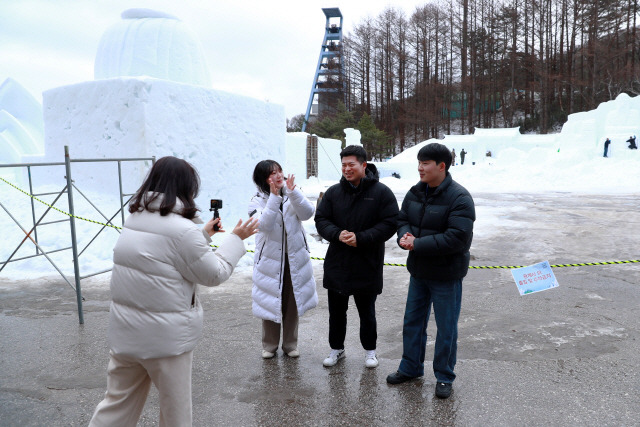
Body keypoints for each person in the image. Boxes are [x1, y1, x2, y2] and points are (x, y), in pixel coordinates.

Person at [89, 156, 259, 427]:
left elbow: (164, 254)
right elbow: (213, 273)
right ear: (186, 188)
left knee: (116, 406)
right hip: (165, 342)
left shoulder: (135, 218)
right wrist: (235, 239)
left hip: (126, 335)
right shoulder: (182, 231)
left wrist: (202, 234)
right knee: (175, 413)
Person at [386, 142, 475, 400]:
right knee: (412, 322)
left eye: (425, 164)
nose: (420, 168)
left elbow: (458, 238)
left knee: (446, 328)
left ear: (441, 166)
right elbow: (402, 220)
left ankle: (444, 376)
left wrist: (418, 244)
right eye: (419, 163)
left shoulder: (459, 197)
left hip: (447, 274)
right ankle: (411, 367)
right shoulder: (416, 192)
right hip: (419, 271)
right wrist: (405, 236)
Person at [315, 145, 399, 369]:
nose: (347, 169)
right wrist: (336, 233)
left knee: (367, 312)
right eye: (343, 165)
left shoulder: (381, 193)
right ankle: (336, 348)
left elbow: (390, 222)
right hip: (338, 262)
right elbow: (321, 219)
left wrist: (362, 237)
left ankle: (370, 351)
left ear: (364, 165)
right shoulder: (333, 192)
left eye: (351, 164)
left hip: (367, 262)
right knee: (336, 312)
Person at [248, 160, 318, 359]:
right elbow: (264, 225)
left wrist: (293, 193)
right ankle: (269, 345)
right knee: (270, 301)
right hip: (270, 260)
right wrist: (274, 197)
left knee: (292, 302)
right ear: (263, 179)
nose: (278, 176)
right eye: (272, 173)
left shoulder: (292, 191)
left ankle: (290, 344)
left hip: (294, 257)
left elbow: (307, 214)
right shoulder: (256, 200)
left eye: (279, 171)